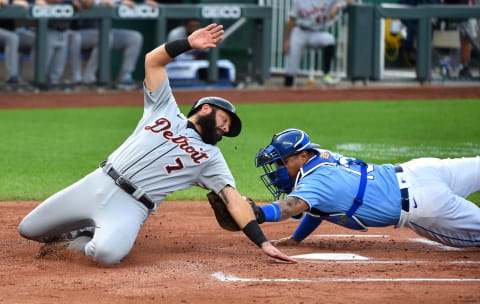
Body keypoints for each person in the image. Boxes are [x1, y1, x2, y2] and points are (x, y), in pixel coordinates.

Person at [18, 23, 295, 265]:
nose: (225, 129)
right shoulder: (163, 108)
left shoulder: (211, 158)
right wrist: (188, 43)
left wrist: (263, 243)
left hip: (132, 207)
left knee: (105, 254)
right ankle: (85, 226)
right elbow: (153, 61)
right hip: (97, 183)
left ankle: (84, 238)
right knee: (28, 229)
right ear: (207, 108)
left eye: (228, 130)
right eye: (226, 120)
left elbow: (233, 201)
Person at [252, 128, 480, 248]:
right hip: (423, 170)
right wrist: (296, 238)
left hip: (425, 205)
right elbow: (318, 208)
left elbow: (290, 207)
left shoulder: (316, 182)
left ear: (302, 156)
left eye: (281, 162)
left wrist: (258, 214)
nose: (277, 170)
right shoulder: (322, 157)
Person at [75, 0, 144, 87]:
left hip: (105, 31)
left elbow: (123, 2)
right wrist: (98, 3)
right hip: (79, 32)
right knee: (106, 36)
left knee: (134, 37)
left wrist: (145, 3)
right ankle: (88, 78)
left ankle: (124, 76)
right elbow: (86, 3)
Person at [283, 0, 348, 87]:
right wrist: (286, 41)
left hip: (317, 33)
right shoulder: (299, 1)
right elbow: (291, 20)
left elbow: (349, 1)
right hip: (300, 32)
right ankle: (287, 92)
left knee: (329, 40)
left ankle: (326, 75)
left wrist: (337, 6)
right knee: (291, 70)